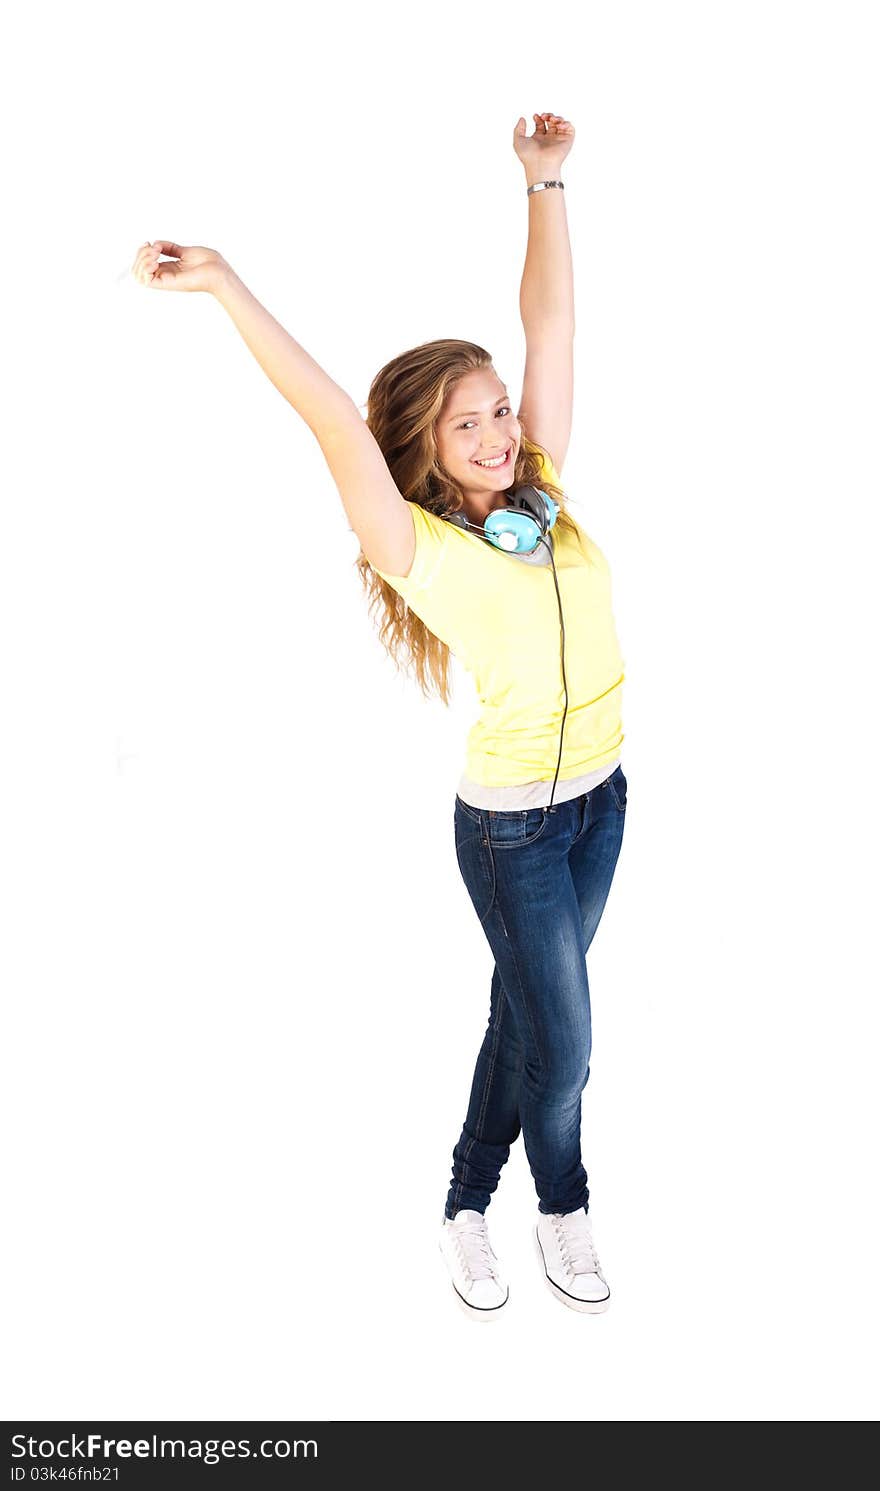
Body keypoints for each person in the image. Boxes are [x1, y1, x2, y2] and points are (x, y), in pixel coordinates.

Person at [130, 111, 627, 1320]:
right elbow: (330, 419)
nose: (502, 433)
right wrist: (226, 285)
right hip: (513, 830)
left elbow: (549, 325)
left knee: (523, 1018)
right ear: (424, 448)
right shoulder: (416, 546)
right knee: (561, 1049)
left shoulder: (543, 494)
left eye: (501, 411)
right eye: (470, 423)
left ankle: (465, 1201)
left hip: (603, 804)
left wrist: (542, 181)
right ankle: (559, 1204)